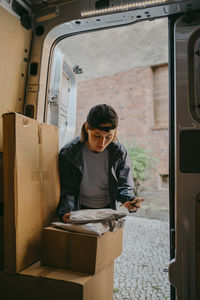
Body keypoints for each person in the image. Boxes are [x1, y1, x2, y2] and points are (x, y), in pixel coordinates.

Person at [57, 104, 143, 223]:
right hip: (79, 210)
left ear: (115, 133)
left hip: (108, 210)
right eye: (97, 136)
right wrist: (65, 212)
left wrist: (129, 199)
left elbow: (124, 185)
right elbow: (68, 190)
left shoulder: (119, 152)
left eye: (108, 137)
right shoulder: (68, 154)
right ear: (87, 128)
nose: (102, 143)